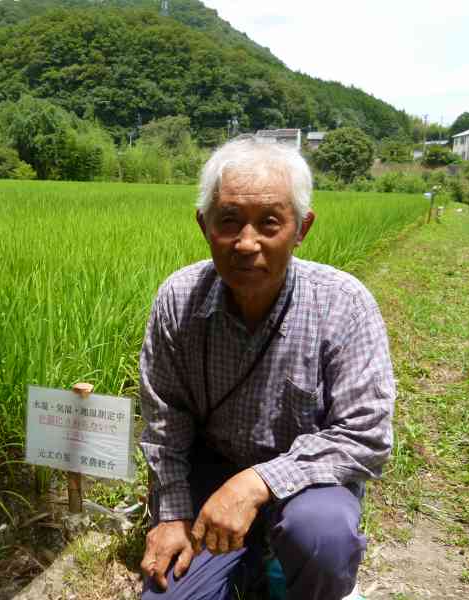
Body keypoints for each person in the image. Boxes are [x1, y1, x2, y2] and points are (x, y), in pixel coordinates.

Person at [138, 135, 395, 600]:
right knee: (170, 596)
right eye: (229, 221)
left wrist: (257, 483)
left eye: (270, 223)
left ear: (302, 228)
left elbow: (366, 436)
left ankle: (294, 566)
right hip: (210, 478)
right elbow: (164, 421)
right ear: (203, 224)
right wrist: (171, 515)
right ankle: (253, 560)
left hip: (309, 486)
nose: (246, 243)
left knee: (321, 536)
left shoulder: (344, 304)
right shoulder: (178, 300)